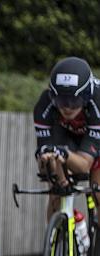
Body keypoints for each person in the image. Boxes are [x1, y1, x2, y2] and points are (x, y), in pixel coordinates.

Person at [32, 57, 100, 217]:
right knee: (56, 192)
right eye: (61, 100)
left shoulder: (97, 102)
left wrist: (63, 153)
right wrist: (58, 177)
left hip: (95, 140)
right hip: (66, 136)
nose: (67, 107)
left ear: (86, 96)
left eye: (74, 101)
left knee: (98, 194)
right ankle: (59, 233)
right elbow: (43, 164)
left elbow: (84, 166)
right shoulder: (44, 106)